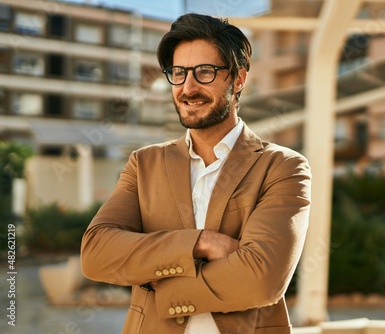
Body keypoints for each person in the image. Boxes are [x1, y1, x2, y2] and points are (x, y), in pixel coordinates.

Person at [81, 13, 311, 334]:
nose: (188, 88)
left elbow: (262, 279)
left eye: (205, 72)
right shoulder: (144, 163)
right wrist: (199, 244)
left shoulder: (282, 167)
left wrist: (160, 288)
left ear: (239, 78)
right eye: (178, 73)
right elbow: (96, 253)